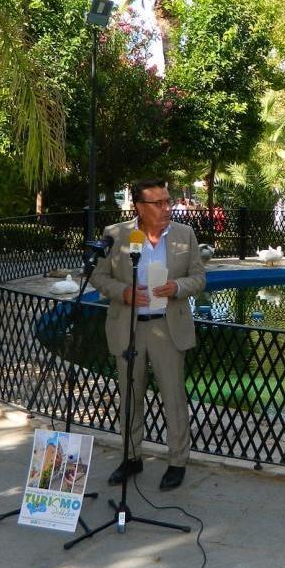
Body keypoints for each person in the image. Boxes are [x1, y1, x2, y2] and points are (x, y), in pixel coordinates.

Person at [90, 178, 206, 491]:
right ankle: (131, 457)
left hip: (167, 329)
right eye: (158, 203)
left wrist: (178, 287)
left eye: (167, 201)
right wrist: (124, 292)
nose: (167, 208)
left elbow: (198, 277)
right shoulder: (116, 235)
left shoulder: (185, 234)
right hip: (128, 328)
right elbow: (97, 277)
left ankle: (177, 461)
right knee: (130, 397)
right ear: (140, 207)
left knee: (174, 399)